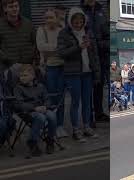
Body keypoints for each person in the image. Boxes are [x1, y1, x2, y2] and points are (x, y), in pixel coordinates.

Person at [57, 7, 100, 142]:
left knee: (87, 101)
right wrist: (78, 47)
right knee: (75, 101)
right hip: (73, 73)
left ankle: (86, 126)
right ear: (70, 21)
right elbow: (62, 53)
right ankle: (76, 129)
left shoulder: (88, 32)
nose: (78, 24)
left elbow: (94, 53)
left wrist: (97, 71)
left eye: (81, 21)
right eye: (75, 21)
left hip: (87, 72)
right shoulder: (64, 34)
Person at [13, 65, 57, 156]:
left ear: (33, 76)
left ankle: (50, 140)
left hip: (42, 109)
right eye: (21, 76)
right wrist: (34, 108)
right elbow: (20, 104)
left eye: (25, 75)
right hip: (27, 112)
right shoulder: (18, 88)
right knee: (40, 117)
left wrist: (45, 106)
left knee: (52, 116)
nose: (22, 78)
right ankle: (32, 142)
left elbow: (47, 99)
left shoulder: (40, 86)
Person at [36, 9, 66, 138]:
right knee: (51, 97)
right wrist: (57, 48)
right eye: (46, 18)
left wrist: (52, 49)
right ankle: (51, 126)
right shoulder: (41, 30)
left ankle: (60, 126)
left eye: (51, 17)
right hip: (49, 67)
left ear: (56, 18)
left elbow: (64, 46)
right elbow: (41, 47)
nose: (49, 20)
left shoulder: (61, 30)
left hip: (62, 66)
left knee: (61, 97)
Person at [81, 0, 108, 123]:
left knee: (99, 85)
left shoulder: (101, 11)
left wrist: (100, 44)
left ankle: (99, 113)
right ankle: (88, 116)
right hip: (85, 54)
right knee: (87, 87)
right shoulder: (79, 11)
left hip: (101, 55)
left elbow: (107, 34)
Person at [0, 0, 38, 88]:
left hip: (27, 67)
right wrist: (7, 59)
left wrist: (34, 63)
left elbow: (35, 43)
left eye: (16, 6)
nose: (14, 9)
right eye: (11, 7)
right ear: (5, 8)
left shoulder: (28, 23)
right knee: (11, 97)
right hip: (8, 68)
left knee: (28, 96)